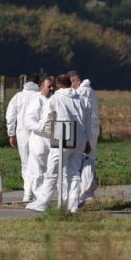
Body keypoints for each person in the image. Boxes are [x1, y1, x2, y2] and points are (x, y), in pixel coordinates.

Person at [27, 73, 93, 214]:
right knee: (74, 172)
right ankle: (72, 205)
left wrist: (46, 130)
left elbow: (47, 118)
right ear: (70, 82)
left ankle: (43, 202)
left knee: (52, 170)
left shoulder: (55, 98)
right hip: (80, 136)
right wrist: (87, 140)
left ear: (57, 84)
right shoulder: (81, 98)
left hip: (63, 132)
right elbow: (88, 121)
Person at [5, 74, 42, 204]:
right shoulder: (40, 96)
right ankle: (38, 193)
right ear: (39, 83)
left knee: (26, 162)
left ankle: (27, 193)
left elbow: (10, 117)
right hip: (39, 132)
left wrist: (11, 134)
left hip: (22, 133)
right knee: (38, 161)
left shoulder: (18, 97)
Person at [69, 70, 101, 203]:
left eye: (71, 83)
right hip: (92, 128)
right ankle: (89, 191)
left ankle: (86, 192)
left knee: (86, 159)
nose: (71, 87)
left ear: (76, 81)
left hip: (88, 129)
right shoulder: (90, 90)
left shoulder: (83, 91)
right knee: (89, 158)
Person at [22, 76, 55, 204]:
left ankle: (35, 196)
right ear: (41, 87)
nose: (51, 89)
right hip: (39, 139)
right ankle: (39, 198)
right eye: (49, 86)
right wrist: (42, 128)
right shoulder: (37, 101)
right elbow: (28, 121)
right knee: (37, 170)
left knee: (47, 169)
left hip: (51, 139)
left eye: (53, 86)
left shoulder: (54, 100)